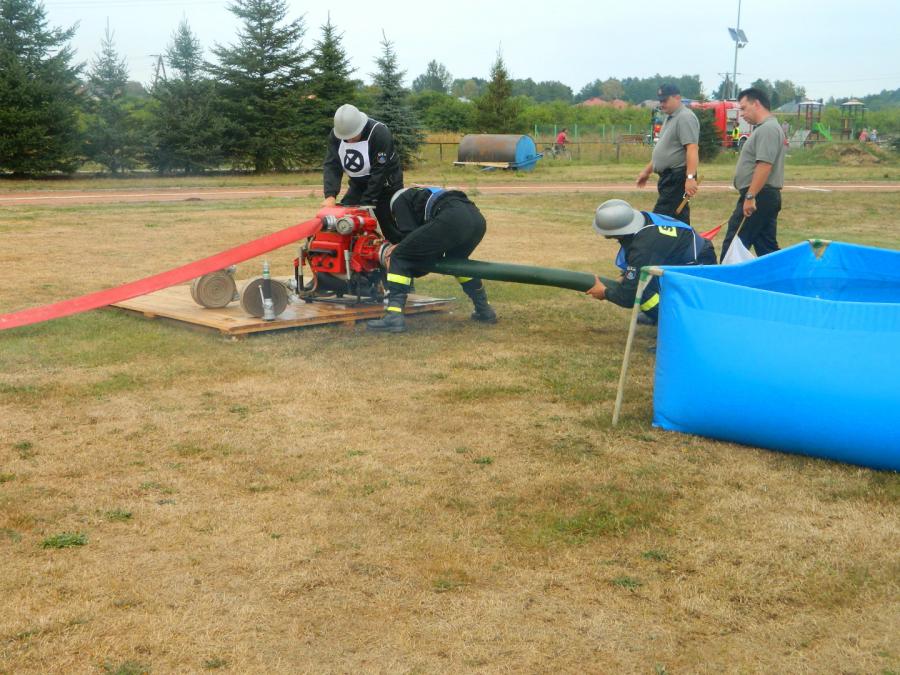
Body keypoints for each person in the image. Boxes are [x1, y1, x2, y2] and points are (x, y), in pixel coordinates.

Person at [367, 187, 497, 333]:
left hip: (453, 218)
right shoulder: (422, 194)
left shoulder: (399, 200)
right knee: (458, 262)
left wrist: (398, 248)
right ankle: (484, 309)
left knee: (399, 255)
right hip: (477, 219)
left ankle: (394, 316)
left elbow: (409, 234)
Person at [585, 199, 716, 324]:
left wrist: (605, 293)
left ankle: (673, 323)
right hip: (683, 256)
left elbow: (629, 297)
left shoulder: (643, 245)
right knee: (640, 283)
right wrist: (625, 276)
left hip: (697, 264)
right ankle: (661, 315)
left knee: (641, 290)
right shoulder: (641, 222)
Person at [720, 88, 786, 262]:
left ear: (756, 104)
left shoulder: (768, 129)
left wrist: (750, 196)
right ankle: (783, 277)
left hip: (760, 196)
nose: (742, 114)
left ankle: (727, 278)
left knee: (733, 246)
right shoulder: (765, 128)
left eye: (743, 108)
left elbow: (764, 165)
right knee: (767, 250)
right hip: (762, 196)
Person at [323, 103, 404, 243]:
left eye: (352, 136)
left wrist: (366, 203)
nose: (349, 140)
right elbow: (332, 165)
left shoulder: (379, 133)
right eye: (346, 137)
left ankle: (399, 251)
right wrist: (330, 195)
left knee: (390, 228)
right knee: (344, 222)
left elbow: (380, 171)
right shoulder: (336, 135)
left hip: (386, 185)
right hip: (358, 185)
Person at [635, 83, 700, 224]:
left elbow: (692, 148)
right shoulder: (670, 118)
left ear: (677, 98)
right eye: (660, 100)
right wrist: (646, 171)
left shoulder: (685, 117)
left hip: (677, 178)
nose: (662, 104)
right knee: (676, 220)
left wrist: (690, 178)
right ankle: (685, 238)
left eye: (665, 100)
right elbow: (665, 149)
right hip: (668, 178)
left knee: (660, 220)